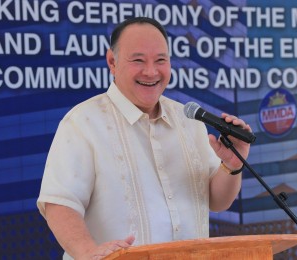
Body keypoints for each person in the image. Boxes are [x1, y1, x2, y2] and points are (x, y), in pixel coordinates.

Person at [37, 17, 251, 260]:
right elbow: (60, 204)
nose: (151, 72)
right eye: (138, 60)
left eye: (160, 60)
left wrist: (232, 165)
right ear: (112, 62)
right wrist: (89, 253)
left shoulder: (189, 121)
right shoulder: (83, 123)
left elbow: (217, 201)